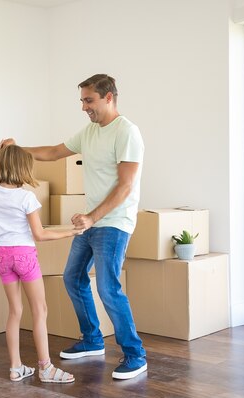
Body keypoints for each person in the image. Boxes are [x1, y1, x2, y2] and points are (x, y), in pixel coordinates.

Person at [21, 74, 147, 380]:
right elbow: (53, 152)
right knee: (73, 278)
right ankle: (92, 340)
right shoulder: (89, 132)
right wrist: (17, 150)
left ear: (108, 97)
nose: (84, 107)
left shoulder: (127, 132)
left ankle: (135, 354)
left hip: (114, 222)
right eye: (82, 100)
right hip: (91, 221)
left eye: (88, 100)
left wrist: (93, 217)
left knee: (107, 287)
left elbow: (125, 187)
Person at [0, 139, 81, 384]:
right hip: (24, 256)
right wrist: (71, 232)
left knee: (15, 311)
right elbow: (40, 234)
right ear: (23, 168)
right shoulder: (26, 198)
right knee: (40, 310)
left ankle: (16, 367)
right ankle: (45, 368)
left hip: (2, 257)